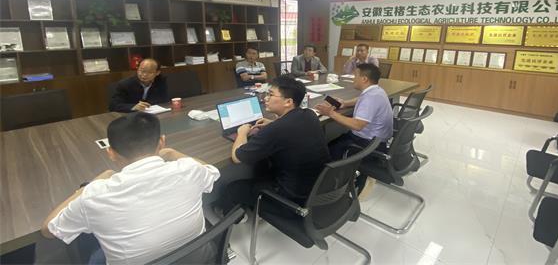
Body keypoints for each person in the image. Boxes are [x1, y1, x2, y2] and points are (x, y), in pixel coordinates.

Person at [41, 112, 220, 265]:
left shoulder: (95, 196)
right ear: (161, 142)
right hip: (197, 258)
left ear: (111, 153)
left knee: (93, 250)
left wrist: (86, 188)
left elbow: (48, 230)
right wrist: (172, 153)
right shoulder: (189, 169)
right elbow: (210, 171)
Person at [220, 76, 331, 214]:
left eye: (270, 95)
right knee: (262, 164)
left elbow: (237, 157)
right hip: (318, 187)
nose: (265, 99)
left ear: (288, 102)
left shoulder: (276, 130)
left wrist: (242, 132)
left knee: (232, 188)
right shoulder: (309, 114)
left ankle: (231, 217)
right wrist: (274, 123)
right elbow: (289, 128)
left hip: (293, 198)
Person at [315, 63, 392, 191]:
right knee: (335, 139)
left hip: (368, 143)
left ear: (364, 79)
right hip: (377, 139)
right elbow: (360, 99)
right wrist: (344, 103)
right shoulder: (376, 90)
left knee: (327, 149)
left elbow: (357, 125)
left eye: (355, 75)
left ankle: (333, 185)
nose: (353, 78)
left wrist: (331, 113)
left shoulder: (370, 98)